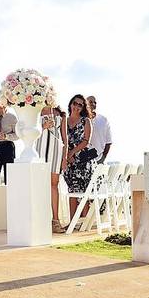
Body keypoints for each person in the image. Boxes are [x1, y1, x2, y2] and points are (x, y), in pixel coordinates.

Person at [63, 94, 95, 221]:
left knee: (83, 193)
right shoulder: (64, 121)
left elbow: (86, 141)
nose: (76, 106)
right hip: (69, 162)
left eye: (80, 105)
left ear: (83, 108)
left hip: (82, 160)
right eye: (74, 103)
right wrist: (66, 156)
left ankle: (84, 223)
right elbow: (62, 141)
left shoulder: (86, 121)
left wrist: (72, 153)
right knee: (71, 191)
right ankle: (73, 222)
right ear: (71, 104)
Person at [37, 104, 68, 233]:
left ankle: (55, 221)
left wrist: (65, 157)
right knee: (39, 185)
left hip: (56, 151)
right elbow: (27, 131)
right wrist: (42, 127)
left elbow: (65, 138)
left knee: (54, 184)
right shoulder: (35, 110)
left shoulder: (60, 113)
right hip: (39, 150)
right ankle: (40, 221)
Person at [87, 96, 113, 163]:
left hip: (98, 159)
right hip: (82, 159)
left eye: (95, 102)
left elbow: (109, 142)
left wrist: (102, 158)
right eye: (90, 102)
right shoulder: (80, 120)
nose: (93, 104)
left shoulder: (104, 120)